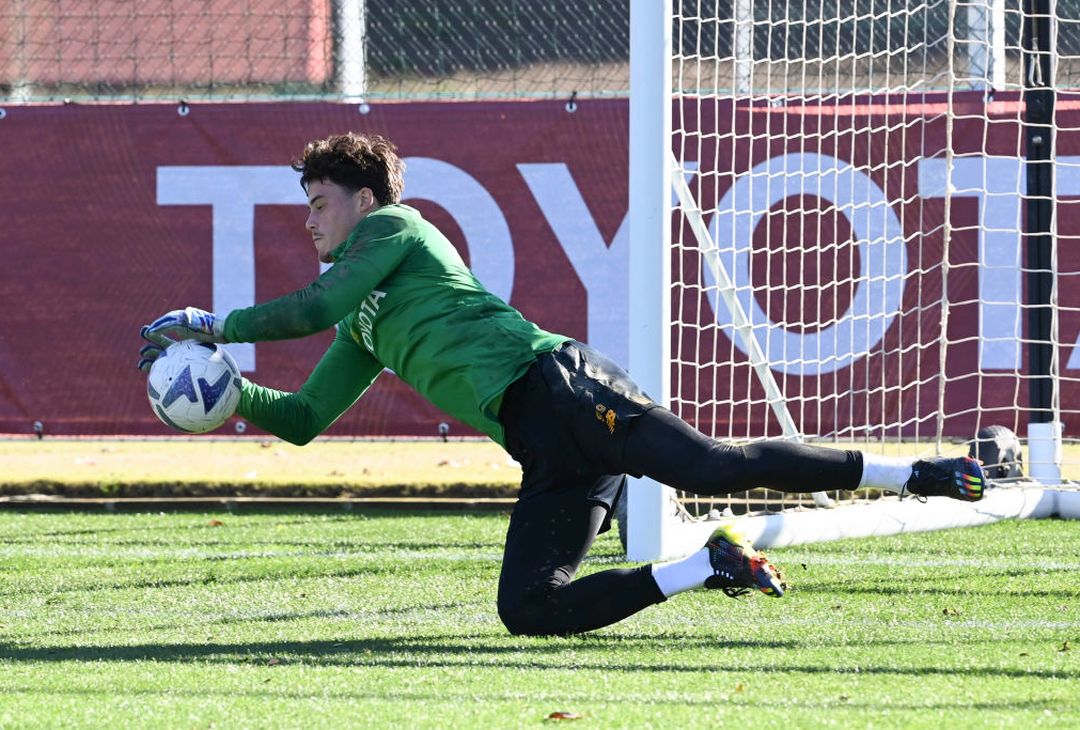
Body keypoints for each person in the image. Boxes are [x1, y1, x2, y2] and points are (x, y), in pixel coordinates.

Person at [139, 132, 986, 636]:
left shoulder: (397, 225)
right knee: (529, 611)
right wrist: (223, 399)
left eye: (321, 200)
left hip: (563, 387)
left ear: (364, 200)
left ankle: (920, 473)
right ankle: (708, 568)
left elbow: (310, 306)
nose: (309, 216)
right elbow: (303, 417)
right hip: (539, 440)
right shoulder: (365, 318)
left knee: (717, 468)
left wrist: (213, 326)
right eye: (307, 204)